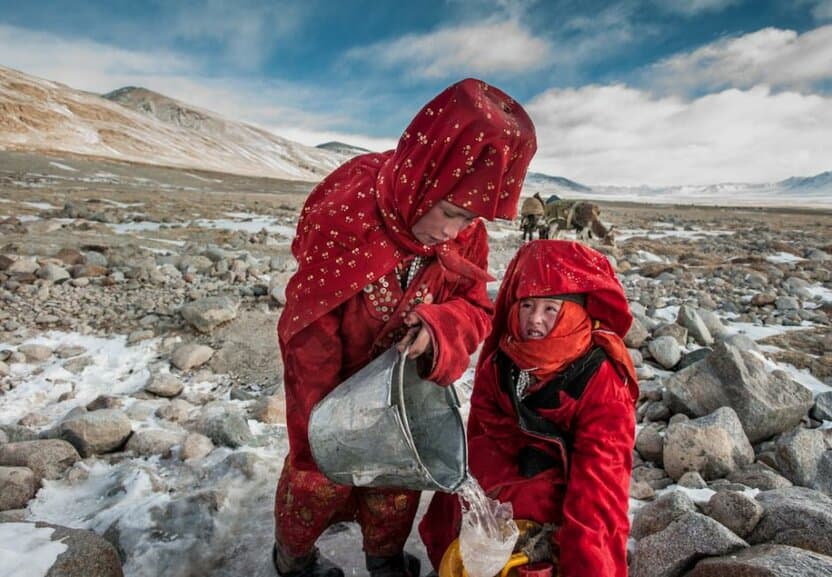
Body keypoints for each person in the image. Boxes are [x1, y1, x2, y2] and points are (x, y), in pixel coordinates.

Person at [273, 78, 537, 577]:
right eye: (451, 214)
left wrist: (438, 328)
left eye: (470, 221)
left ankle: (384, 559)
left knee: (396, 480)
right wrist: (321, 423)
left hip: (404, 388)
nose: (452, 235)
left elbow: (475, 308)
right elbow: (310, 328)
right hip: (328, 379)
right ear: (427, 177)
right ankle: (294, 559)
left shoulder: (465, 229)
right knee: (317, 475)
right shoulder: (346, 214)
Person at [419, 239, 638, 577]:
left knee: (534, 501)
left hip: (563, 485)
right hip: (513, 465)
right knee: (465, 481)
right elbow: (485, 426)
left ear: (577, 312)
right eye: (527, 306)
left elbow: (600, 487)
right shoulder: (504, 360)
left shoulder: (602, 383)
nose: (534, 320)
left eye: (551, 308)